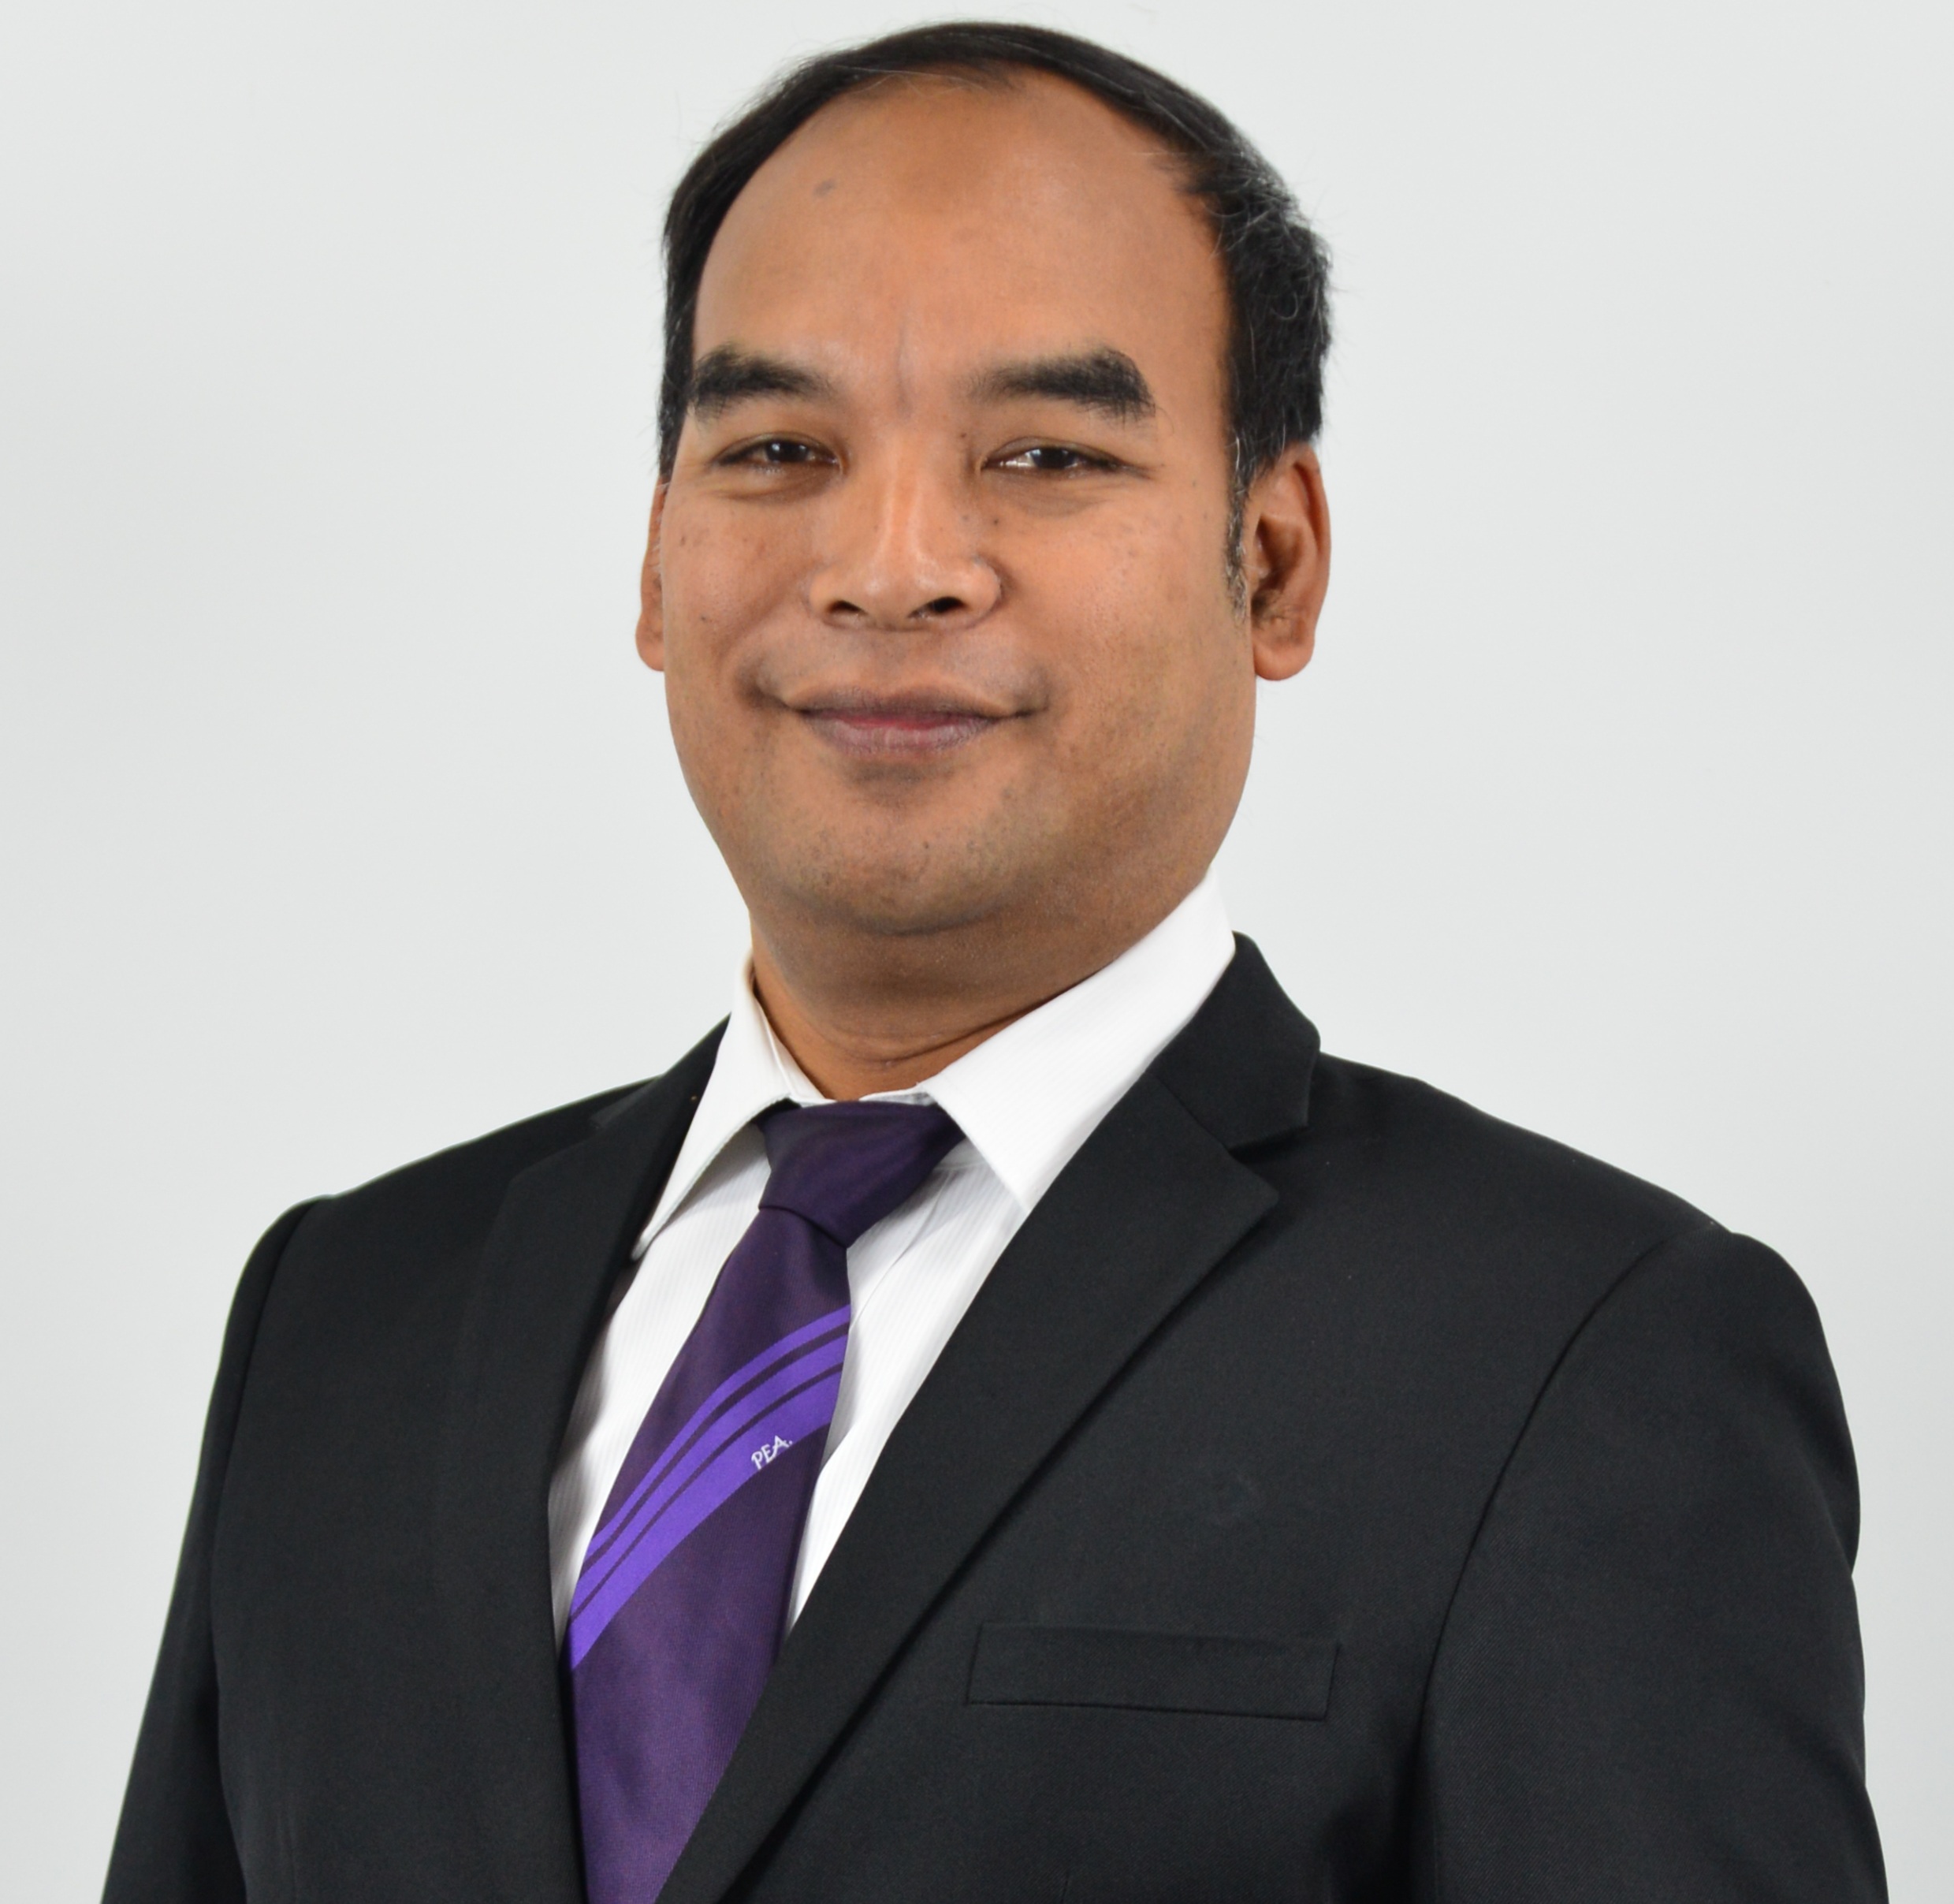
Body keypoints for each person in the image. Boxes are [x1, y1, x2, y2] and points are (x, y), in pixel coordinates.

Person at [102, 21, 1885, 1904]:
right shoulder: (345, 1315)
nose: (892, 566)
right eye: (777, 448)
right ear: (653, 562)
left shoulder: (1579, 1352)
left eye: (1044, 452)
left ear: (1272, 560)